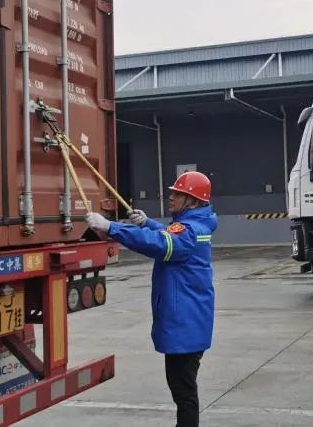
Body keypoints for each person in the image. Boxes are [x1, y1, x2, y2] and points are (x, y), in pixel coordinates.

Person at [84, 171, 217, 427]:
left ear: (193, 201)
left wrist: (111, 227)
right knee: (183, 388)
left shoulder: (189, 231)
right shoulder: (196, 226)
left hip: (185, 323)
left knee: (184, 392)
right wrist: (147, 223)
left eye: (178, 194)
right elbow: (168, 233)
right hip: (190, 321)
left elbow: (161, 243)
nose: (171, 197)